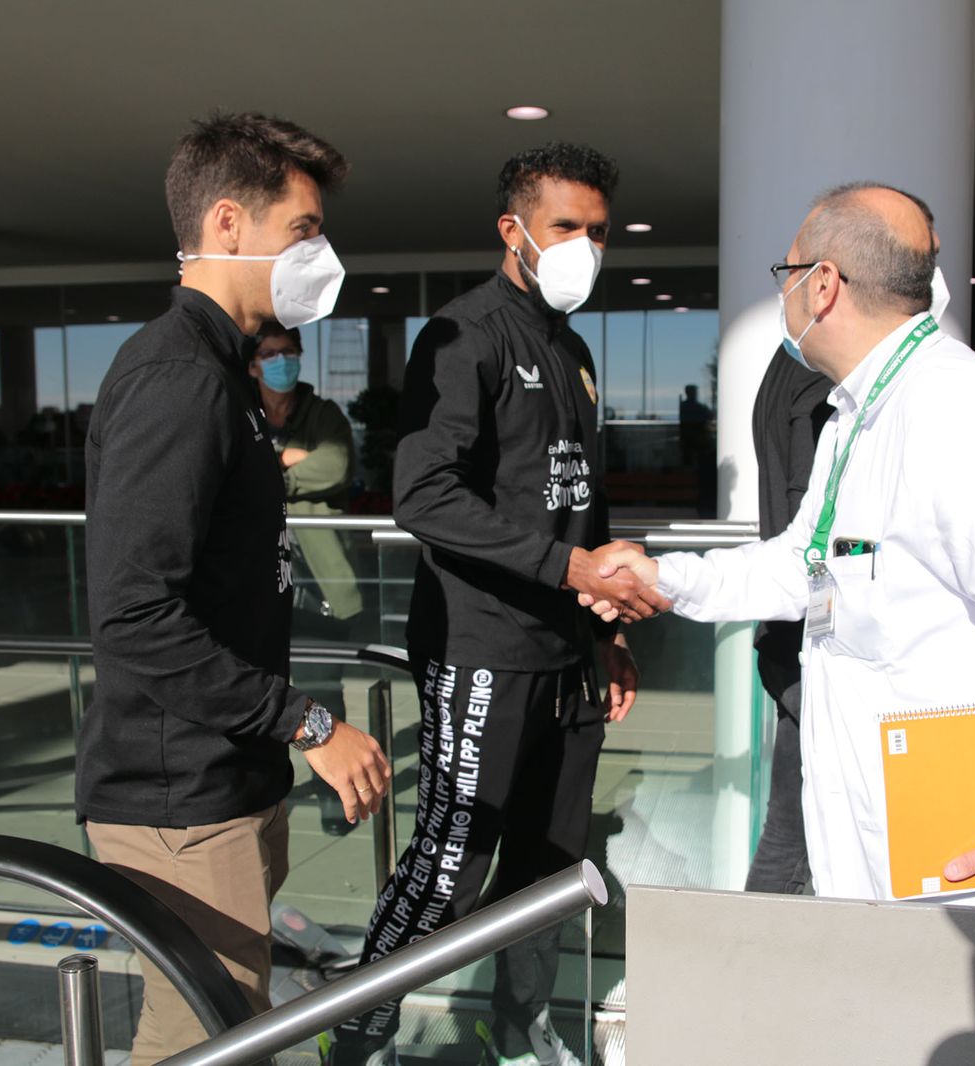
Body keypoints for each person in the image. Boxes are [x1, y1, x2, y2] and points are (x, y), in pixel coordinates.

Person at [587, 181, 975, 1065]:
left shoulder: (960, 415)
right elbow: (809, 564)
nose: (781, 295)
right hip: (913, 862)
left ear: (821, 284)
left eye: (784, 273)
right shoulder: (864, 413)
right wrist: (667, 577)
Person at [328, 143, 664, 1066]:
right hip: (481, 648)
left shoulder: (572, 346)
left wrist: (606, 633)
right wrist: (569, 572)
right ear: (513, 228)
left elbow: (581, 503)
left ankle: (520, 1027)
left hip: (568, 658)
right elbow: (424, 496)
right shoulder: (464, 335)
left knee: (551, 867)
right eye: (567, 228)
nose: (586, 248)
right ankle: (355, 1034)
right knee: (450, 865)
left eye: (599, 232)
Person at [76, 111, 390, 1065]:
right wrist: (310, 725)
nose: (319, 254)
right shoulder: (180, 379)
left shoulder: (224, 374)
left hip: (226, 777)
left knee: (234, 1027)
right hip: (178, 798)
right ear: (224, 225)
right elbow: (133, 613)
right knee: (199, 1041)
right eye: (302, 231)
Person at [250, 321, 364, 833]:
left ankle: (332, 796)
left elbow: (336, 467)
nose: (282, 361)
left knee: (324, 689)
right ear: (253, 364)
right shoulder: (240, 410)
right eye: (271, 353)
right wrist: (291, 465)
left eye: (289, 352)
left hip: (320, 580)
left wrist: (269, 472)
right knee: (254, 688)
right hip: (255, 577)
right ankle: (262, 792)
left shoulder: (324, 415)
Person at [743, 345, 831, 896]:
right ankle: (747, 977)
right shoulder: (821, 385)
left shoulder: (788, 367)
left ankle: (745, 974)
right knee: (795, 847)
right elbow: (823, 541)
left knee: (789, 836)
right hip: (819, 646)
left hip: (799, 639)